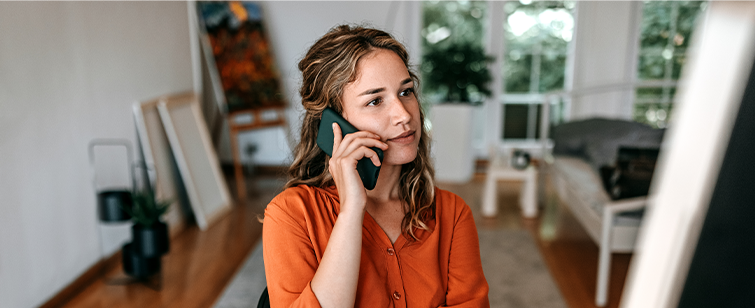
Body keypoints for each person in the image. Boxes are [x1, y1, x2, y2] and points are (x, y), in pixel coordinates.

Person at [262, 24, 489, 307]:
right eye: (375, 101)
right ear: (334, 124)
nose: (403, 115)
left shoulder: (452, 215)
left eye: (406, 92)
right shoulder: (292, 215)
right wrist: (351, 211)